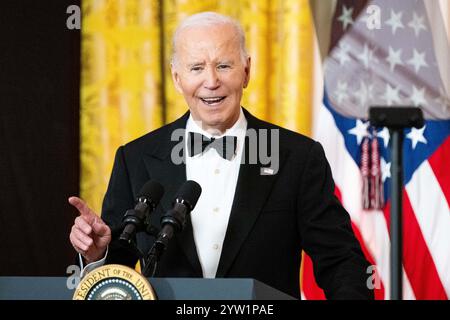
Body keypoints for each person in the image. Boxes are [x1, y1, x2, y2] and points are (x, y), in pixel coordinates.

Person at [69, 12, 374, 300]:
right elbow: (119, 267)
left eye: (224, 65)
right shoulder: (135, 158)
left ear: (247, 71)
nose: (211, 81)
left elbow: (340, 261)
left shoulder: (298, 157)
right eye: (196, 68)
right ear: (177, 78)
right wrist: (98, 254)